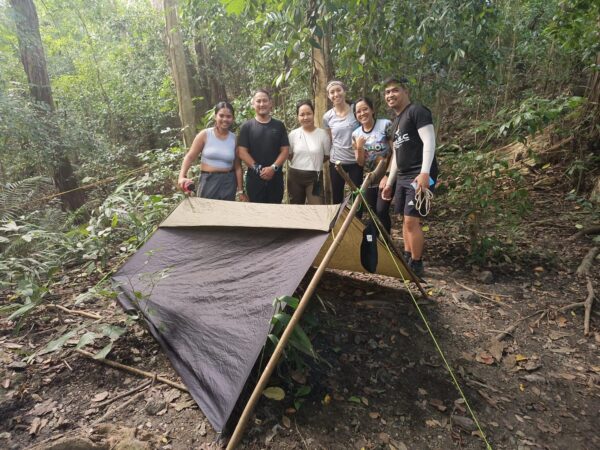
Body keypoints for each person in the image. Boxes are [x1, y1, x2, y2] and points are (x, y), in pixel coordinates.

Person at [381, 77, 439, 277]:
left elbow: (429, 141)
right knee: (403, 219)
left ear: (405, 91)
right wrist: (389, 182)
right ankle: (407, 255)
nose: (390, 95)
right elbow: (396, 155)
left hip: (420, 174)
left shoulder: (417, 111)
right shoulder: (396, 121)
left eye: (395, 90)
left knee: (411, 221)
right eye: (387, 92)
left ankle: (416, 263)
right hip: (403, 176)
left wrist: (425, 173)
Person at [178, 101, 247, 201]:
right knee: (207, 212)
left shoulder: (234, 139)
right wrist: (181, 176)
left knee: (227, 213)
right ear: (215, 116)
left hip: (228, 182)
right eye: (221, 115)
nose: (225, 119)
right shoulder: (205, 135)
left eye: (228, 116)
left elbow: (237, 167)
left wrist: (240, 191)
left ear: (233, 118)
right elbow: (190, 157)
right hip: (208, 180)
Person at [237, 89, 290, 203]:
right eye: (258, 101)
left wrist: (273, 168)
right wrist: (258, 168)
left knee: (275, 213)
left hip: (275, 179)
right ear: (253, 104)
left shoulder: (279, 125)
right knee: (256, 214)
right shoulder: (247, 127)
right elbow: (241, 151)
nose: (262, 104)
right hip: (254, 180)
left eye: (265, 101)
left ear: (270, 103)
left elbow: (285, 150)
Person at [351, 97, 393, 233]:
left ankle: (387, 241)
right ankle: (377, 244)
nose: (362, 113)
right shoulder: (356, 134)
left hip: (387, 177)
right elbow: (360, 162)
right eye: (358, 111)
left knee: (381, 210)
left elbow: (395, 151)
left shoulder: (385, 125)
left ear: (372, 110)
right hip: (369, 180)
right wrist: (359, 147)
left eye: (365, 109)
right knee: (373, 213)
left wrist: (388, 175)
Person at [322, 80, 360, 204]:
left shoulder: (356, 109)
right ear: (328, 96)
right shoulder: (327, 116)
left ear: (344, 91)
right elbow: (330, 139)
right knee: (337, 196)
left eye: (338, 90)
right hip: (337, 162)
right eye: (332, 92)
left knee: (357, 195)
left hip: (356, 160)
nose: (336, 94)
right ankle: (339, 222)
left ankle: (357, 222)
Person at [287, 100, 331, 204]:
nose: (305, 117)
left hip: (315, 177)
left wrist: (314, 162)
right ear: (298, 117)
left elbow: (326, 156)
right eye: (302, 115)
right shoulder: (293, 134)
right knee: (296, 208)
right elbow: (289, 155)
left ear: (313, 114)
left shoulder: (322, 135)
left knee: (317, 208)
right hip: (295, 176)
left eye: (308, 114)